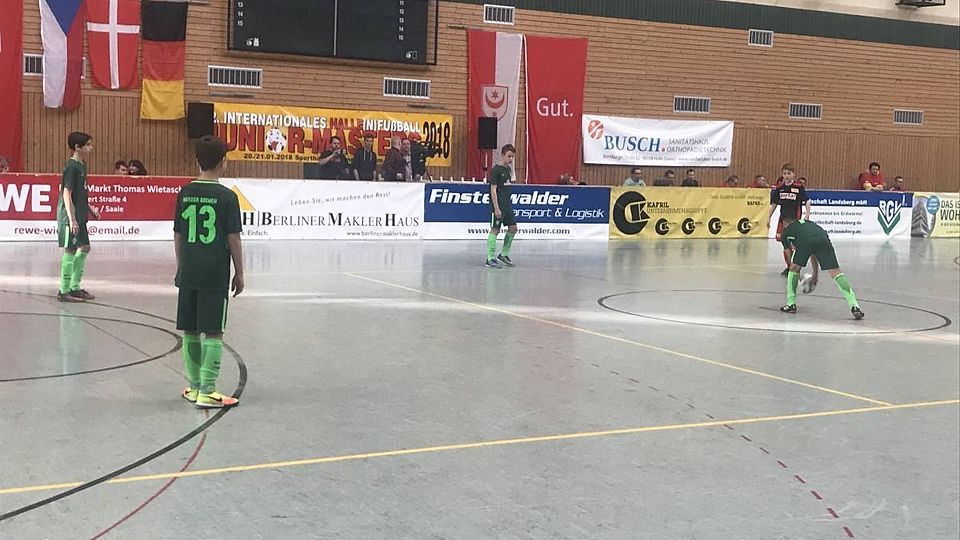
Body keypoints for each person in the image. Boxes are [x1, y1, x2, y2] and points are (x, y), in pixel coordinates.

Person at [173, 135, 244, 409]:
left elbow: (178, 234)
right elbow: (233, 237)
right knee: (214, 331)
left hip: (189, 270)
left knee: (190, 329)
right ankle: (208, 390)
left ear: (197, 161)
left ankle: (193, 387)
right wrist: (239, 272)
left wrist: (181, 265)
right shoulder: (227, 197)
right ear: (223, 162)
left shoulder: (185, 193)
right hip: (214, 272)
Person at [779, 214, 864, 320]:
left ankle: (791, 303)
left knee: (793, 269)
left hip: (805, 241)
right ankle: (854, 305)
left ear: (784, 223)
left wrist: (796, 270)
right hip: (822, 237)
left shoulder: (786, 232)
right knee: (836, 272)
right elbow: (813, 252)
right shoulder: (807, 224)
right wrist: (815, 275)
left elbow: (790, 257)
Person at [56, 132, 100, 302]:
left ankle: (75, 286)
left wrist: (90, 209)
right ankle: (64, 290)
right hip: (70, 216)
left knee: (85, 247)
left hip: (80, 215)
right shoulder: (72, 167)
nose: (91, 148)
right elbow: (67, 193)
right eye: (87, 145)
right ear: (77, 147)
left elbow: (81, 193)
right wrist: (71, 219)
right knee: (71, 249)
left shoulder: (82, 165)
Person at [768, 164, 811, 277]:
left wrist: (807, 215)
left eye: (789, 173)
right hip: (783, 220)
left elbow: (807, 201)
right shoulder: (779, 188)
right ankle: (789, 266)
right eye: (785, 173)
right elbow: (773, 204)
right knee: (784, 244)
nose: (787, 176)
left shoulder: (798, 187)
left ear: (793, 174)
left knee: (793, 244)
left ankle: (796, 266)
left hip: (794, 220)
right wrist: (768, 218)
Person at [485, 144, 518, 269]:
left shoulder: (508, 170)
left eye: (513, 157)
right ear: (502, 155)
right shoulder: (496, 170)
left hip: (507, 205)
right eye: (509, 156)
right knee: (495, 229)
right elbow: (493, 190)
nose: (511, 159)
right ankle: (490, 258)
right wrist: (496, 208)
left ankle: (504, 254)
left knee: (513, 228)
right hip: (498, 205)